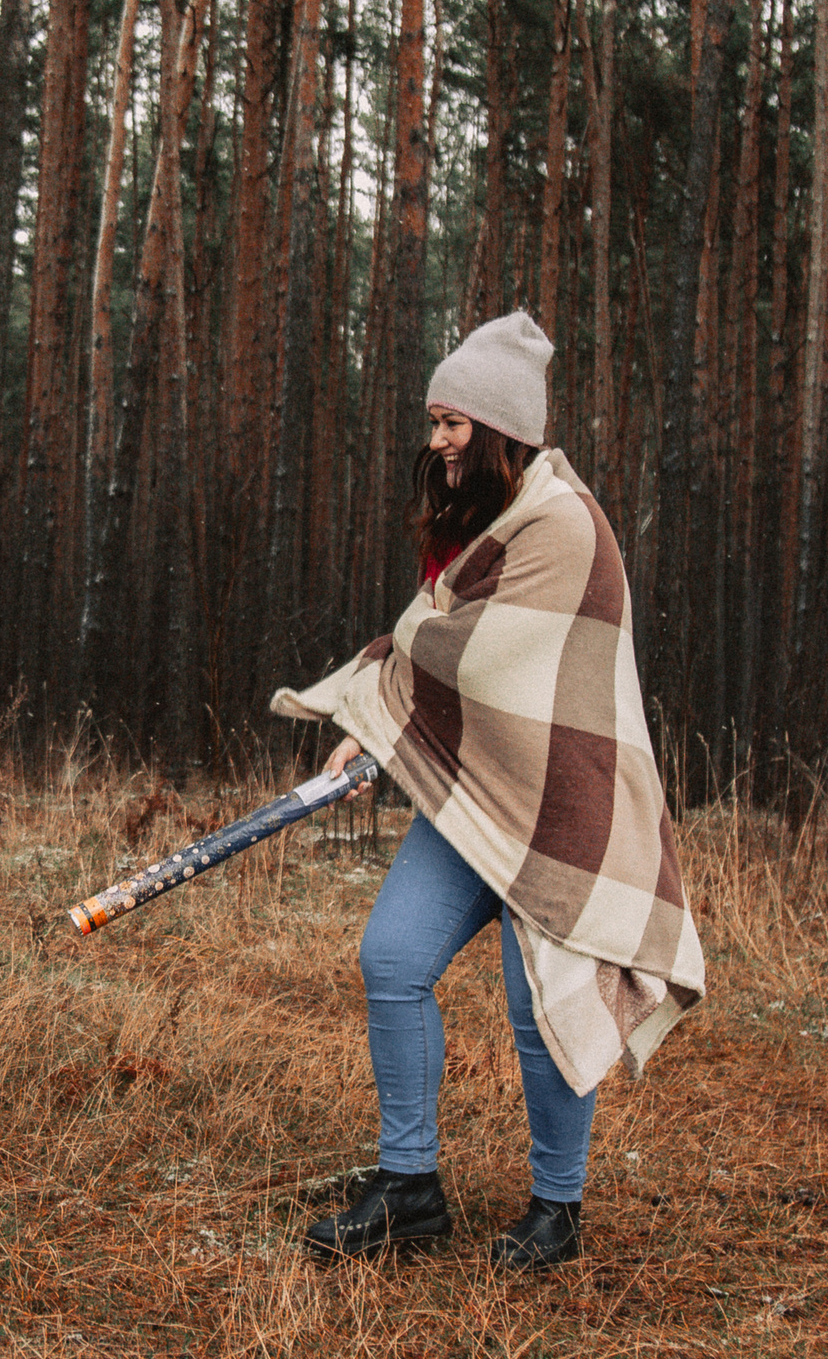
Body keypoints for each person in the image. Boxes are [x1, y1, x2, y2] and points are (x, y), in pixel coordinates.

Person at [272, 311, 705, 1269]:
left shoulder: (563, 525)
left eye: (452, 423)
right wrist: (365, 730)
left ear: (502, 426)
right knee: (392, 955)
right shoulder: (477, 523)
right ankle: (410, 1187)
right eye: (433, 421)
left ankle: (557, 1210)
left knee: (537, 995)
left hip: (561, 797)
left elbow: (463, 657)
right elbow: (434, 633)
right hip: (477, 790)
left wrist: (377, 715)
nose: (436, 441)